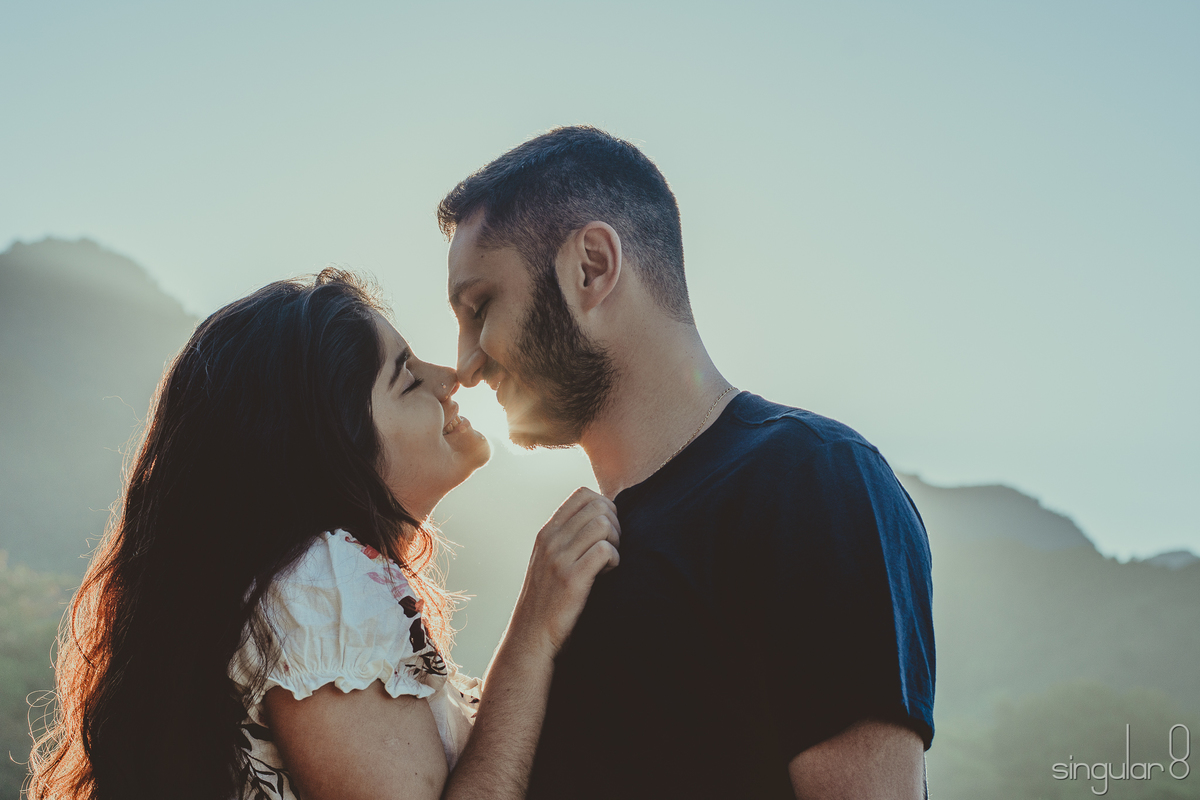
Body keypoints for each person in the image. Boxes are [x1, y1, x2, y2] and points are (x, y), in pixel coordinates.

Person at [439, 126, 936, 799]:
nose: (465, 362)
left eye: (480, 307)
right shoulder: (565, 568)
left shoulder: (811, 480)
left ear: (591, 268)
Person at [28, 270, 620, 800]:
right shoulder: (323, 581)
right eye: (406, 379)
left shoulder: (310, 590)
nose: (449, 378)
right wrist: (533, 631)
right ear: (333, 448)